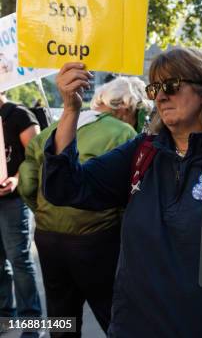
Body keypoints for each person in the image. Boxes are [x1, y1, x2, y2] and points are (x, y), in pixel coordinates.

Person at [42, 48, 202, 337]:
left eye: (172, 85)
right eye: (155, 88)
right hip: (134, 327)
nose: (161, 96)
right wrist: (70, 110)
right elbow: (64, 187)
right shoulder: (143, 152)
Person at [18, 77, 152, 337]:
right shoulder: (124, 134)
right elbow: (131, 197)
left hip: (47, 236)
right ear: (127, 107)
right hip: (98, 239)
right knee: (115, 314)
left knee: (61, 317)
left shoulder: (54, 130)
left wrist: (45, 214)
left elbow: (26, 183)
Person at [0, 92, 42, 337]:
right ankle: (6, 315)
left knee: (19, 260)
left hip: (14, 202)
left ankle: (31, 322)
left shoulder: (20, 115)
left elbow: (36, 157)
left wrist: (16, 178)